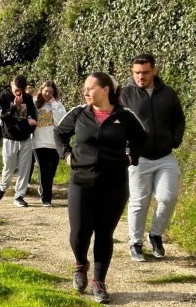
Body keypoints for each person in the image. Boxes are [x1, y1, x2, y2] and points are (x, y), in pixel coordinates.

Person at [54, 72, 146, 304]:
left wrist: (129, 158)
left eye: (90, 88)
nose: (85, 92)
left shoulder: (124, 116)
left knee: (104, 234)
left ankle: (99, 282)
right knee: (78, 233)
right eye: (84, 88)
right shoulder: (78, 113)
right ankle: (79, 264)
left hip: (113, 185)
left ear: (105, 89)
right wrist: (66, 155)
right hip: (81, 182)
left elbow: (141, 139)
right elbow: (60, 134)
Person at [121, 54, 186, 262]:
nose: (141, 76)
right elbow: (117, 123)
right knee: (139, 202)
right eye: (137, 73)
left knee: (168, 197)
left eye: (145, 72)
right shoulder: (124, 95)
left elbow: (179, 120)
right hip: (138, 158)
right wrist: (126, 149)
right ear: (132, 72)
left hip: (165, 156)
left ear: (154, 71)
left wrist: (175, 140)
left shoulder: (168, 93)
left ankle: (156, 235)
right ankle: (135, 242)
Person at [0, 75, 38, 207]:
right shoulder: (4, 97)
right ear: (11, 85)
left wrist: (32, 122)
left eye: (21, 90)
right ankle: (3, 187)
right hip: (10, 137)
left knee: (24, 169)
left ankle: (19, 196)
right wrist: (14, 106)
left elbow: (33, 115)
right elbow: (2, 116)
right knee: (9, 167)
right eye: (16, 89)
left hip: (25, 138)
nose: (18, 92)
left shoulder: (28, 98)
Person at [32, 81, 67, 206]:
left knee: (51, 172)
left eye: (51, 92)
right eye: (46, 91)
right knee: (43, 170)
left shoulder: (57, 105)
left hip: (54, 144)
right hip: (39, 143)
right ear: (41, 90)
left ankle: (43, 189)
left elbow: (61, 122)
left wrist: (53, 104)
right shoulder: (34, 102)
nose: (48, 94)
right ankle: (46, 198)